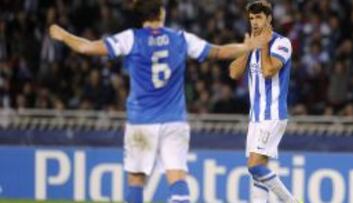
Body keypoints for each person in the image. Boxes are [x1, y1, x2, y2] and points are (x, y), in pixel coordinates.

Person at [49, 0, 262, 202]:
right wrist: (245, 47)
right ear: (161, 13)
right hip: (174, 121)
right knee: (177, 177)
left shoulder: (131, 38)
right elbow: (218, 52)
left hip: (141, 123)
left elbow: (86, 48)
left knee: (136, 181)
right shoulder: (180, 38)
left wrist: (63, 35)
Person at [229, 0, 299, 202]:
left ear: (269, 18)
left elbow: (268, 71)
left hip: (273, 114)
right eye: (251, 18)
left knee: (254, 165)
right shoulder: (252, 45)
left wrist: (264, 46)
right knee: (257, 173)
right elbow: (234, 73)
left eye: (259, 17)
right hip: (256, 117)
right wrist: (248, 48)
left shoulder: (282, 43)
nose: (254, 22)